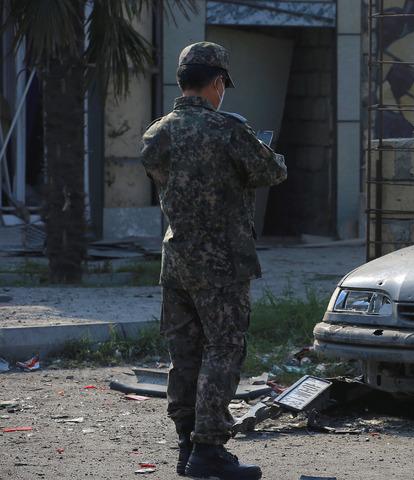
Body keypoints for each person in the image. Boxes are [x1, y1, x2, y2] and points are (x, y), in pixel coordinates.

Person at [141, 41, 287, 480]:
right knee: (224, 349)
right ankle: (208, 449)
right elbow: (272, 172)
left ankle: (187, 446)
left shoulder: (157, 133)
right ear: (218, 82)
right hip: (223, 262)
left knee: (184, 353)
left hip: (177, 259)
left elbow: (162, 174)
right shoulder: (229, 130)